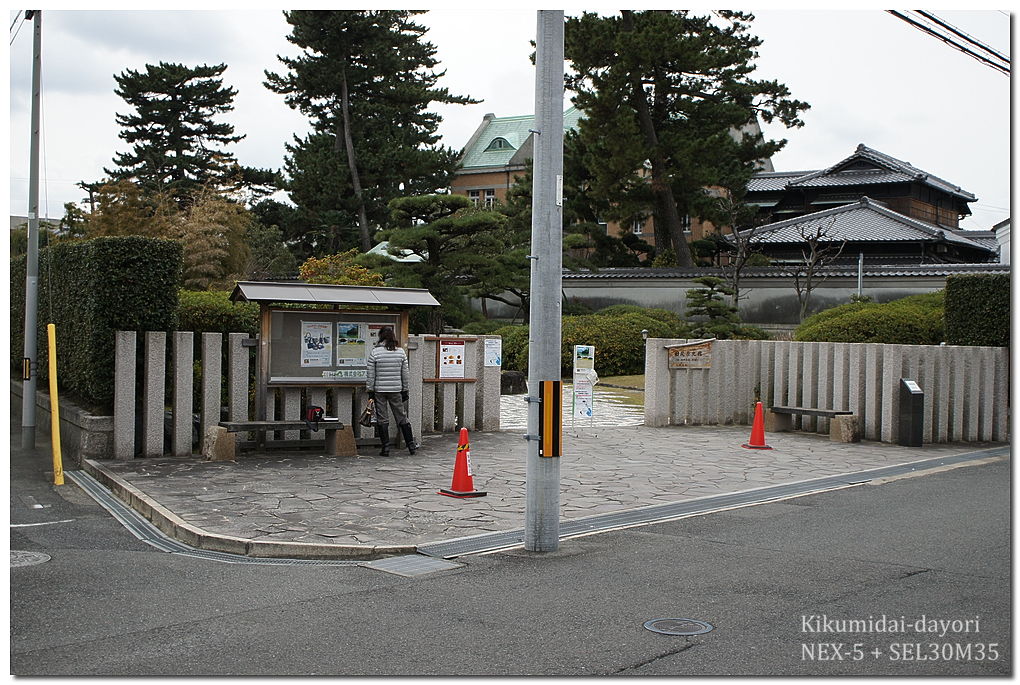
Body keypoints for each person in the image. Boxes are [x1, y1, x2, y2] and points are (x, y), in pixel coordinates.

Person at [365, 326, 417, 456]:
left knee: (382, 419)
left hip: (379, 390)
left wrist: (370, 390)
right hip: (396, 390)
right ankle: (411, 445)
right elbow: (405, 374)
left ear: (380, 337)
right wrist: (405, 389)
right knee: (401, 417)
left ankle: (385, 448)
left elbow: (371, 375)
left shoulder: (375, 353)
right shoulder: (400, 353)